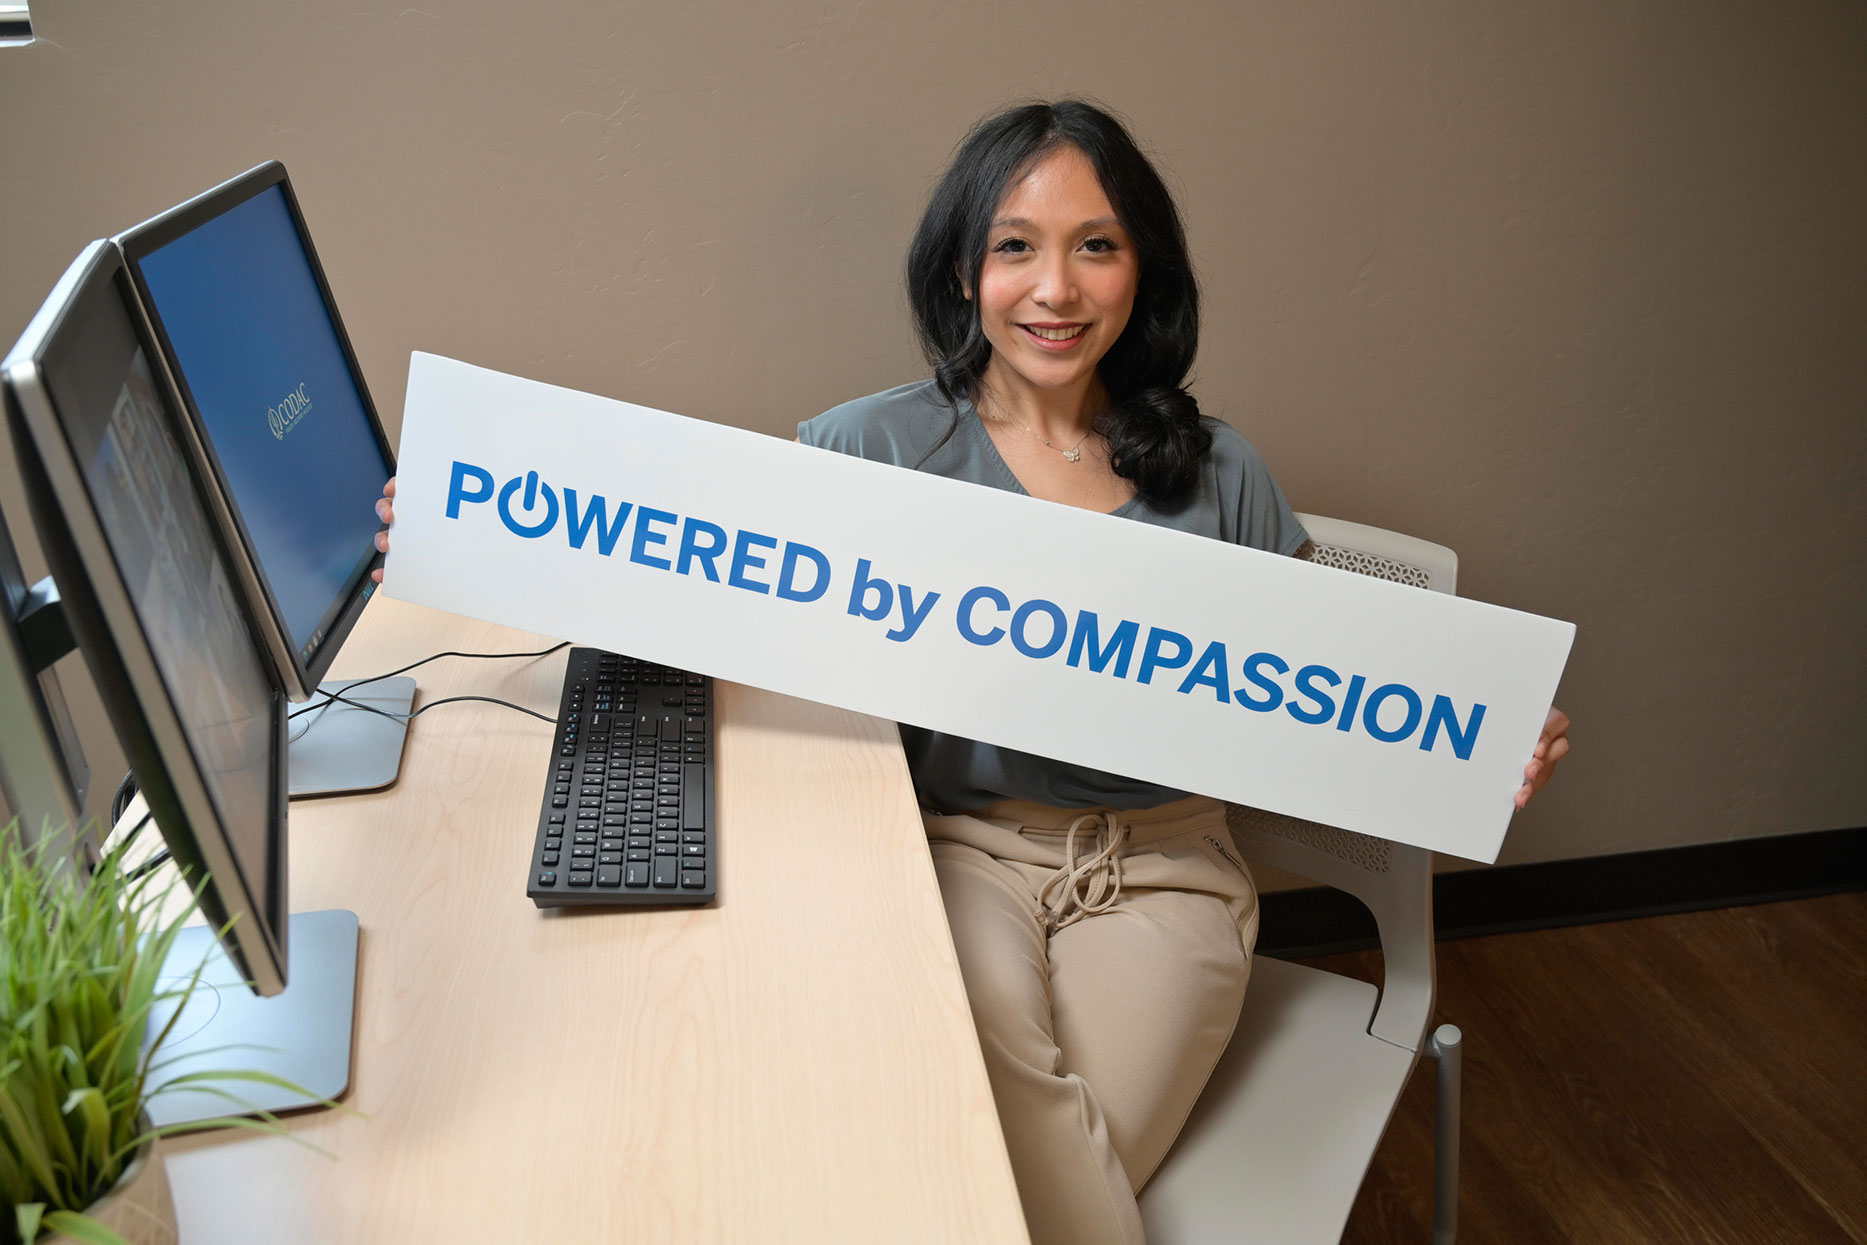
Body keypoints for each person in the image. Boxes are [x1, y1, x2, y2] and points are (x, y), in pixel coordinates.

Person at [372, 99, 1570, 1245]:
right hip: (952, 857)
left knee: (988, 1164)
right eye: (1016, 248)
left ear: (1139, 269)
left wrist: (1477, 734)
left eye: (1094, 246)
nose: (1055, 289)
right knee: (974, 1119)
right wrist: (474, 530)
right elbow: (699, 577)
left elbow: (1348, 692)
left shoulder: (1220, 473)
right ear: (963, 272)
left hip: (1165, 874)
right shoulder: (869, 449)